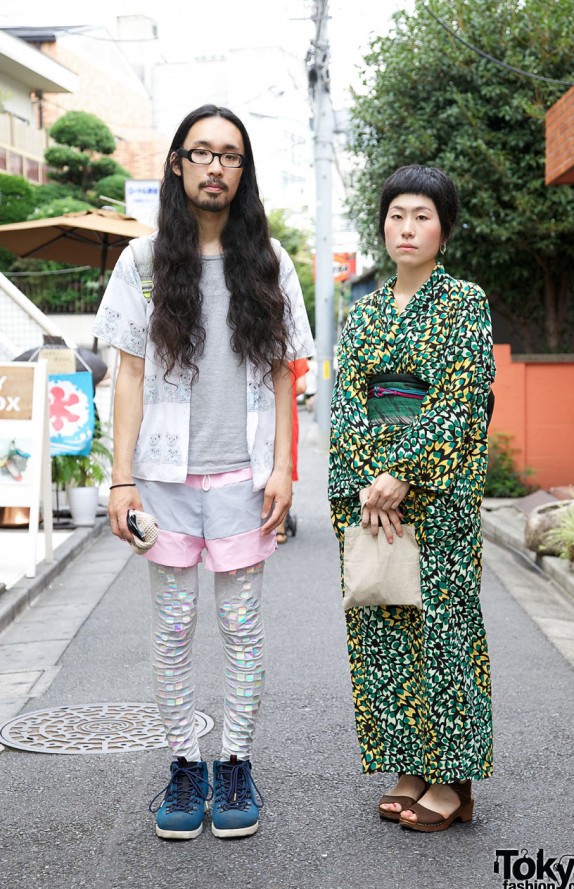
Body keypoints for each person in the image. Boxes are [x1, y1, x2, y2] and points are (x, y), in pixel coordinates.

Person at [92, 104, 314, 841]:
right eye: (203, 152)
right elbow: (126, 375)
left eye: (231, 155)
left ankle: (236, 762)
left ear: (243, 174)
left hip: (245, 481)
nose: (216, 166)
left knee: (242, 630)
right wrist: (120, 479)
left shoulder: (269, 262)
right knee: (174, 630)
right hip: (162, 481)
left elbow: (285, 372)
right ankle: (186, 762)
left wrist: (285, 466)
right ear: (180, 165)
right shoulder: (144, 262)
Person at [328, 165, 495, 833]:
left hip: (439, 493)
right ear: (382, 226)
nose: (407, 227)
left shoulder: (464, 303)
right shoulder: (363, 311)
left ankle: (454, 780)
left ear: (444, 230)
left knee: (446, 629)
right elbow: (346, 405)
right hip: (374, 501)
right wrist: (371, 480)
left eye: (422, 216)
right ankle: (409, 766)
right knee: (384, 629)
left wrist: (403, 472)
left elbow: (462, 398)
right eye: (397, 214)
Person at [276, 357, 308, 544]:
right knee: (284, 463)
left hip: (262, 412)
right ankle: (280, 528)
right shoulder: (293, 350)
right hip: (287, 414)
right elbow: (302, 386)